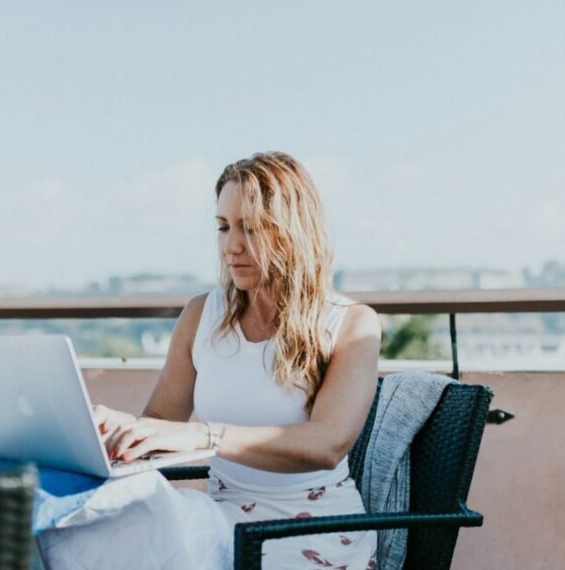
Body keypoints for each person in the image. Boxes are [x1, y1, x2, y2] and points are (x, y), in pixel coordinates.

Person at [40, 151, 379, 570]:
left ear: (293, 233)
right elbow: (162, 418)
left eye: (250, 228)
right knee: (85, 536)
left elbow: (327, 444)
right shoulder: (202, 315)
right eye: (222, 227)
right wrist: (121, 431)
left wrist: (206, 437)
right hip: (221, 521)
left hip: (311, 534)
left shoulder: (352, 324)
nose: (230, 246)